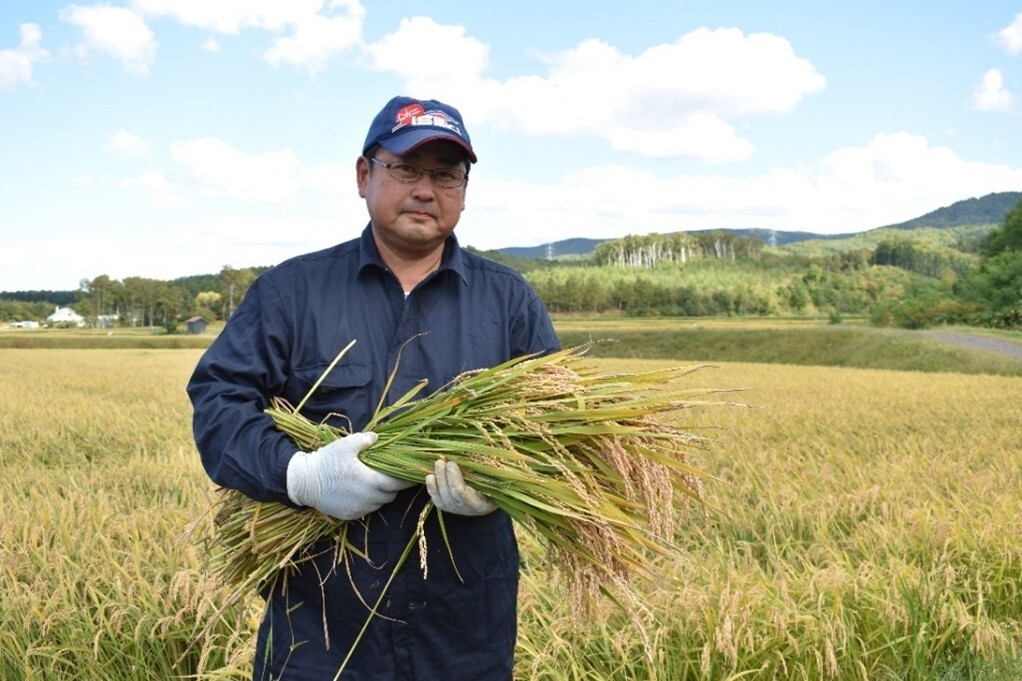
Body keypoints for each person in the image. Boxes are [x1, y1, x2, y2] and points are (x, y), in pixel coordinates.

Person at [186, 95, 560, 680]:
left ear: (464, 190)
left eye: (445, 175)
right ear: (365, 175)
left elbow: (557, 435)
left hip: (464, 636)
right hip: (319, 632)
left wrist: (502, 481)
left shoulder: (509, 302)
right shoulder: (292, 292)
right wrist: (301, 475)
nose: (425, 189)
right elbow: (219, 405)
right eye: (406, 169)